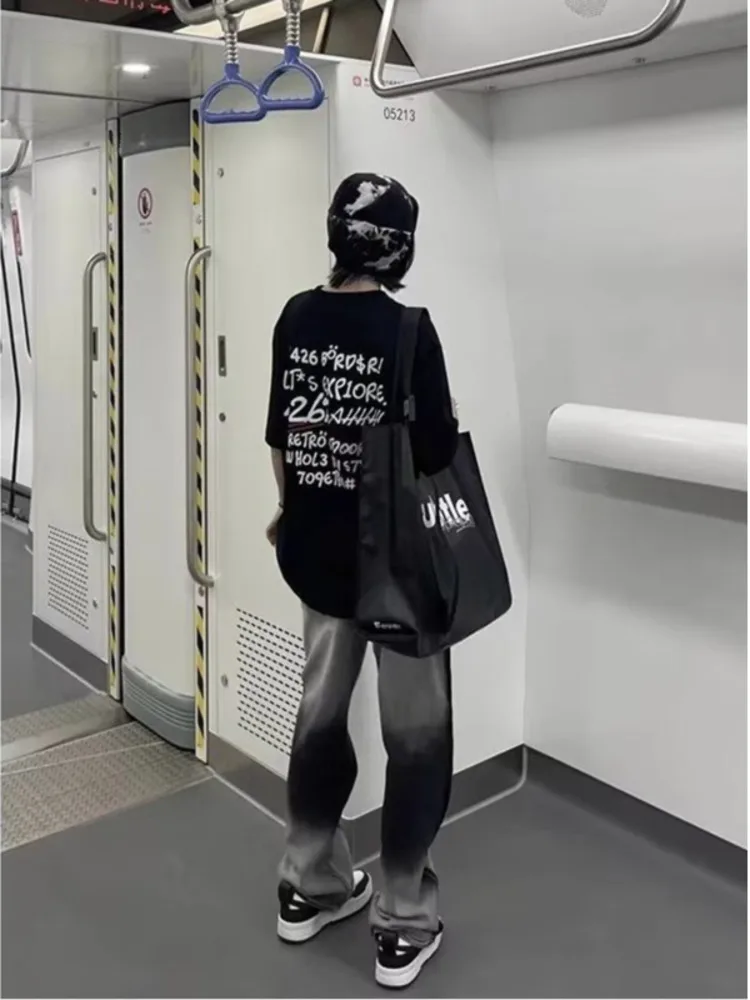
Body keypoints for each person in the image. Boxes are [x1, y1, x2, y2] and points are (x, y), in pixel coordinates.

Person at [264, 173, 459, 989]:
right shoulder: (409, 330)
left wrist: (289, 509)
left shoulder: (296, 316)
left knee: (320, 716)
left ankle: (308, 884)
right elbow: (438, 453)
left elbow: (281, 435)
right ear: (401, 250)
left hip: (315, 557)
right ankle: (403, 924)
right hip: (400, 570)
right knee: (416, 740)